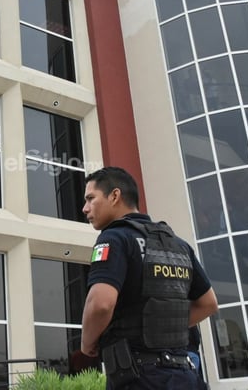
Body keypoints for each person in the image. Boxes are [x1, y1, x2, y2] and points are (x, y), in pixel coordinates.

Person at [80, 167, 218, 389]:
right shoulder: (179, 245)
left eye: (90, 198)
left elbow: (101, 304)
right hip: (185, 376)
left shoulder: (114, 238)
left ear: (114, 196)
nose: (85, 208)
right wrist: (160, 329)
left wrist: (87, 344)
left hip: (138, 377)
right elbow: (208, 303)